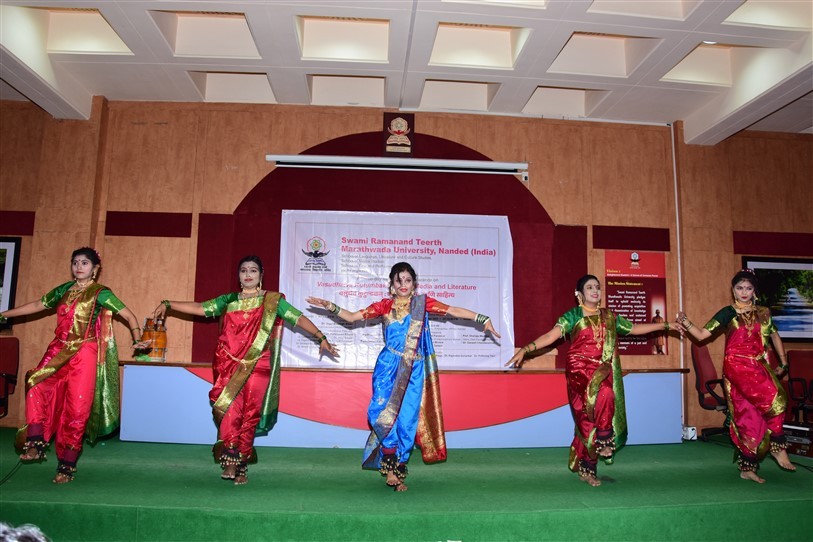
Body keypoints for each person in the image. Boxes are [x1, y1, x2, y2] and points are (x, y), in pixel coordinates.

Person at [307, 262, 500, 492]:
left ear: (414, 284)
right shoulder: (384, 306)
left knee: (407, 420)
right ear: (392, 284)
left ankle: (396, 470)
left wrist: (482, 318)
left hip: (414, 369)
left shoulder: (422, 304)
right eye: (399, 280)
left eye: (408, 280)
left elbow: (453, 311)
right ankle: (389, 462)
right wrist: (329, 305)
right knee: (379, 413)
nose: (403, 285)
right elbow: (351, 317)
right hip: (388, 366)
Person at [152, 255, 337, 485]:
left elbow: (297, 318)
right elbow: (201, 308)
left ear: (261, 275)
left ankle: (241, 462)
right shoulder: (228, 300)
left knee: (250, 413)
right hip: (228, 363)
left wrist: (321, 337)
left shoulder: (272, 301)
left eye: (253, 270)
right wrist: (169, 304)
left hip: (258, 363)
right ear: (239, 276)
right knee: (230, 408)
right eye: (243, 270)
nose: (248, 274)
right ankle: (230, 458)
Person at [505, 274, 671, 487]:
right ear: (579, 294)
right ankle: (605, 438)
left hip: (602, 369)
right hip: (579, 370)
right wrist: (526, 350)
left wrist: (665, 325)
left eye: (598, 287)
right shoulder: (573, 315)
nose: (595, 290)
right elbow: (550, 336)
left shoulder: (609, 316)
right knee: (604, 394)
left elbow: (634, 329)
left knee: (587, 421)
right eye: (590, 287)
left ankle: (587, 470)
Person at [0, 247, 148, 484]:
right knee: (35, 383)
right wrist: (3, 314)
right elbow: (38, 305)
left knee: (77, 410)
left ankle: (66, 466)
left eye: (85, 263)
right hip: (58, 349)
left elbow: (128, 315)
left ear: (95, 269)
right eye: (75, 262)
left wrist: (137, 338)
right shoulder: (63, 290)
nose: (79, 267)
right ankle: (36, 442)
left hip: (84, 353)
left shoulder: (100, 293)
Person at [676, 269, 794, 483]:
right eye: (740, 288)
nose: (744, 292)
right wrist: (686, 322)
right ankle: (777, 444)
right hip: (737, 366)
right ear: (733, 291)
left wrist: (783, 362)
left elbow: (774, 336)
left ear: (754, 291)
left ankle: (747, 467)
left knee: (749, 416)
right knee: (775, 397)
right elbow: (702, 335)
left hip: (758, 365)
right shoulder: (727, 313)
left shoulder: (764, 313)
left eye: (748, 288)